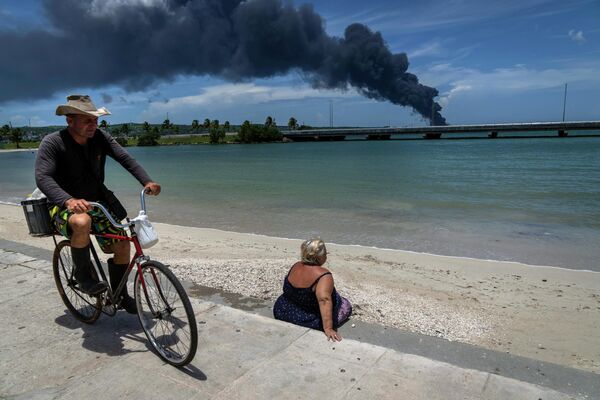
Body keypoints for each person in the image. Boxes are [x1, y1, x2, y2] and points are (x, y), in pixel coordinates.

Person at [35, 94, 161, 313]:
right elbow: (43, 177)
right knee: (82, 222)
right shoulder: (53, 143)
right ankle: (83, 276)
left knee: (123, 243)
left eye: (95, 120)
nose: (93, 125)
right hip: (63, 205)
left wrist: (147, 181)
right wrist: (68, 200)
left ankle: (120, 295)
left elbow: (125, 158)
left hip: (97, 203)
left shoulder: (100, 138)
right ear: (70, 120)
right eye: (87, 120)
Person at [273, 238, 352, 341]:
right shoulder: (323, 275)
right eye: (325, 254)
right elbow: (324, 300)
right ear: (319, 257)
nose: (326, 255)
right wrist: (328, 328)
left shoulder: (296, 266)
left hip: (282, 310)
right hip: (306, 318)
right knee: (346, 305)